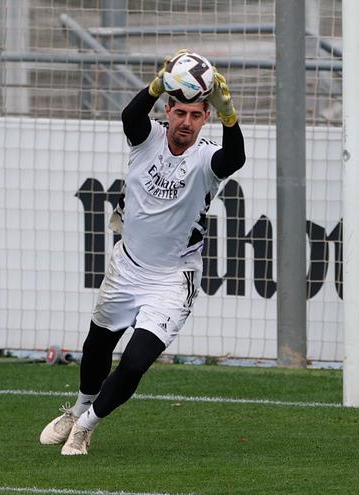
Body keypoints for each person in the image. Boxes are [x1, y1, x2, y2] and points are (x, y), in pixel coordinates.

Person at [39, 50, 245, 455]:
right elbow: (129, 117)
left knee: (134, 363)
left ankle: (86, 426)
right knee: (96, 347)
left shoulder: (206, 160)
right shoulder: (146, 137)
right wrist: (156, 83)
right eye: (180, 112)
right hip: (127, 267)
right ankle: (78, 408)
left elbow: (234, 157)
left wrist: (229, 112)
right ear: (167, 111)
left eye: (196, 115)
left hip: (173, 278)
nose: (186, 122)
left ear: (205, 119)